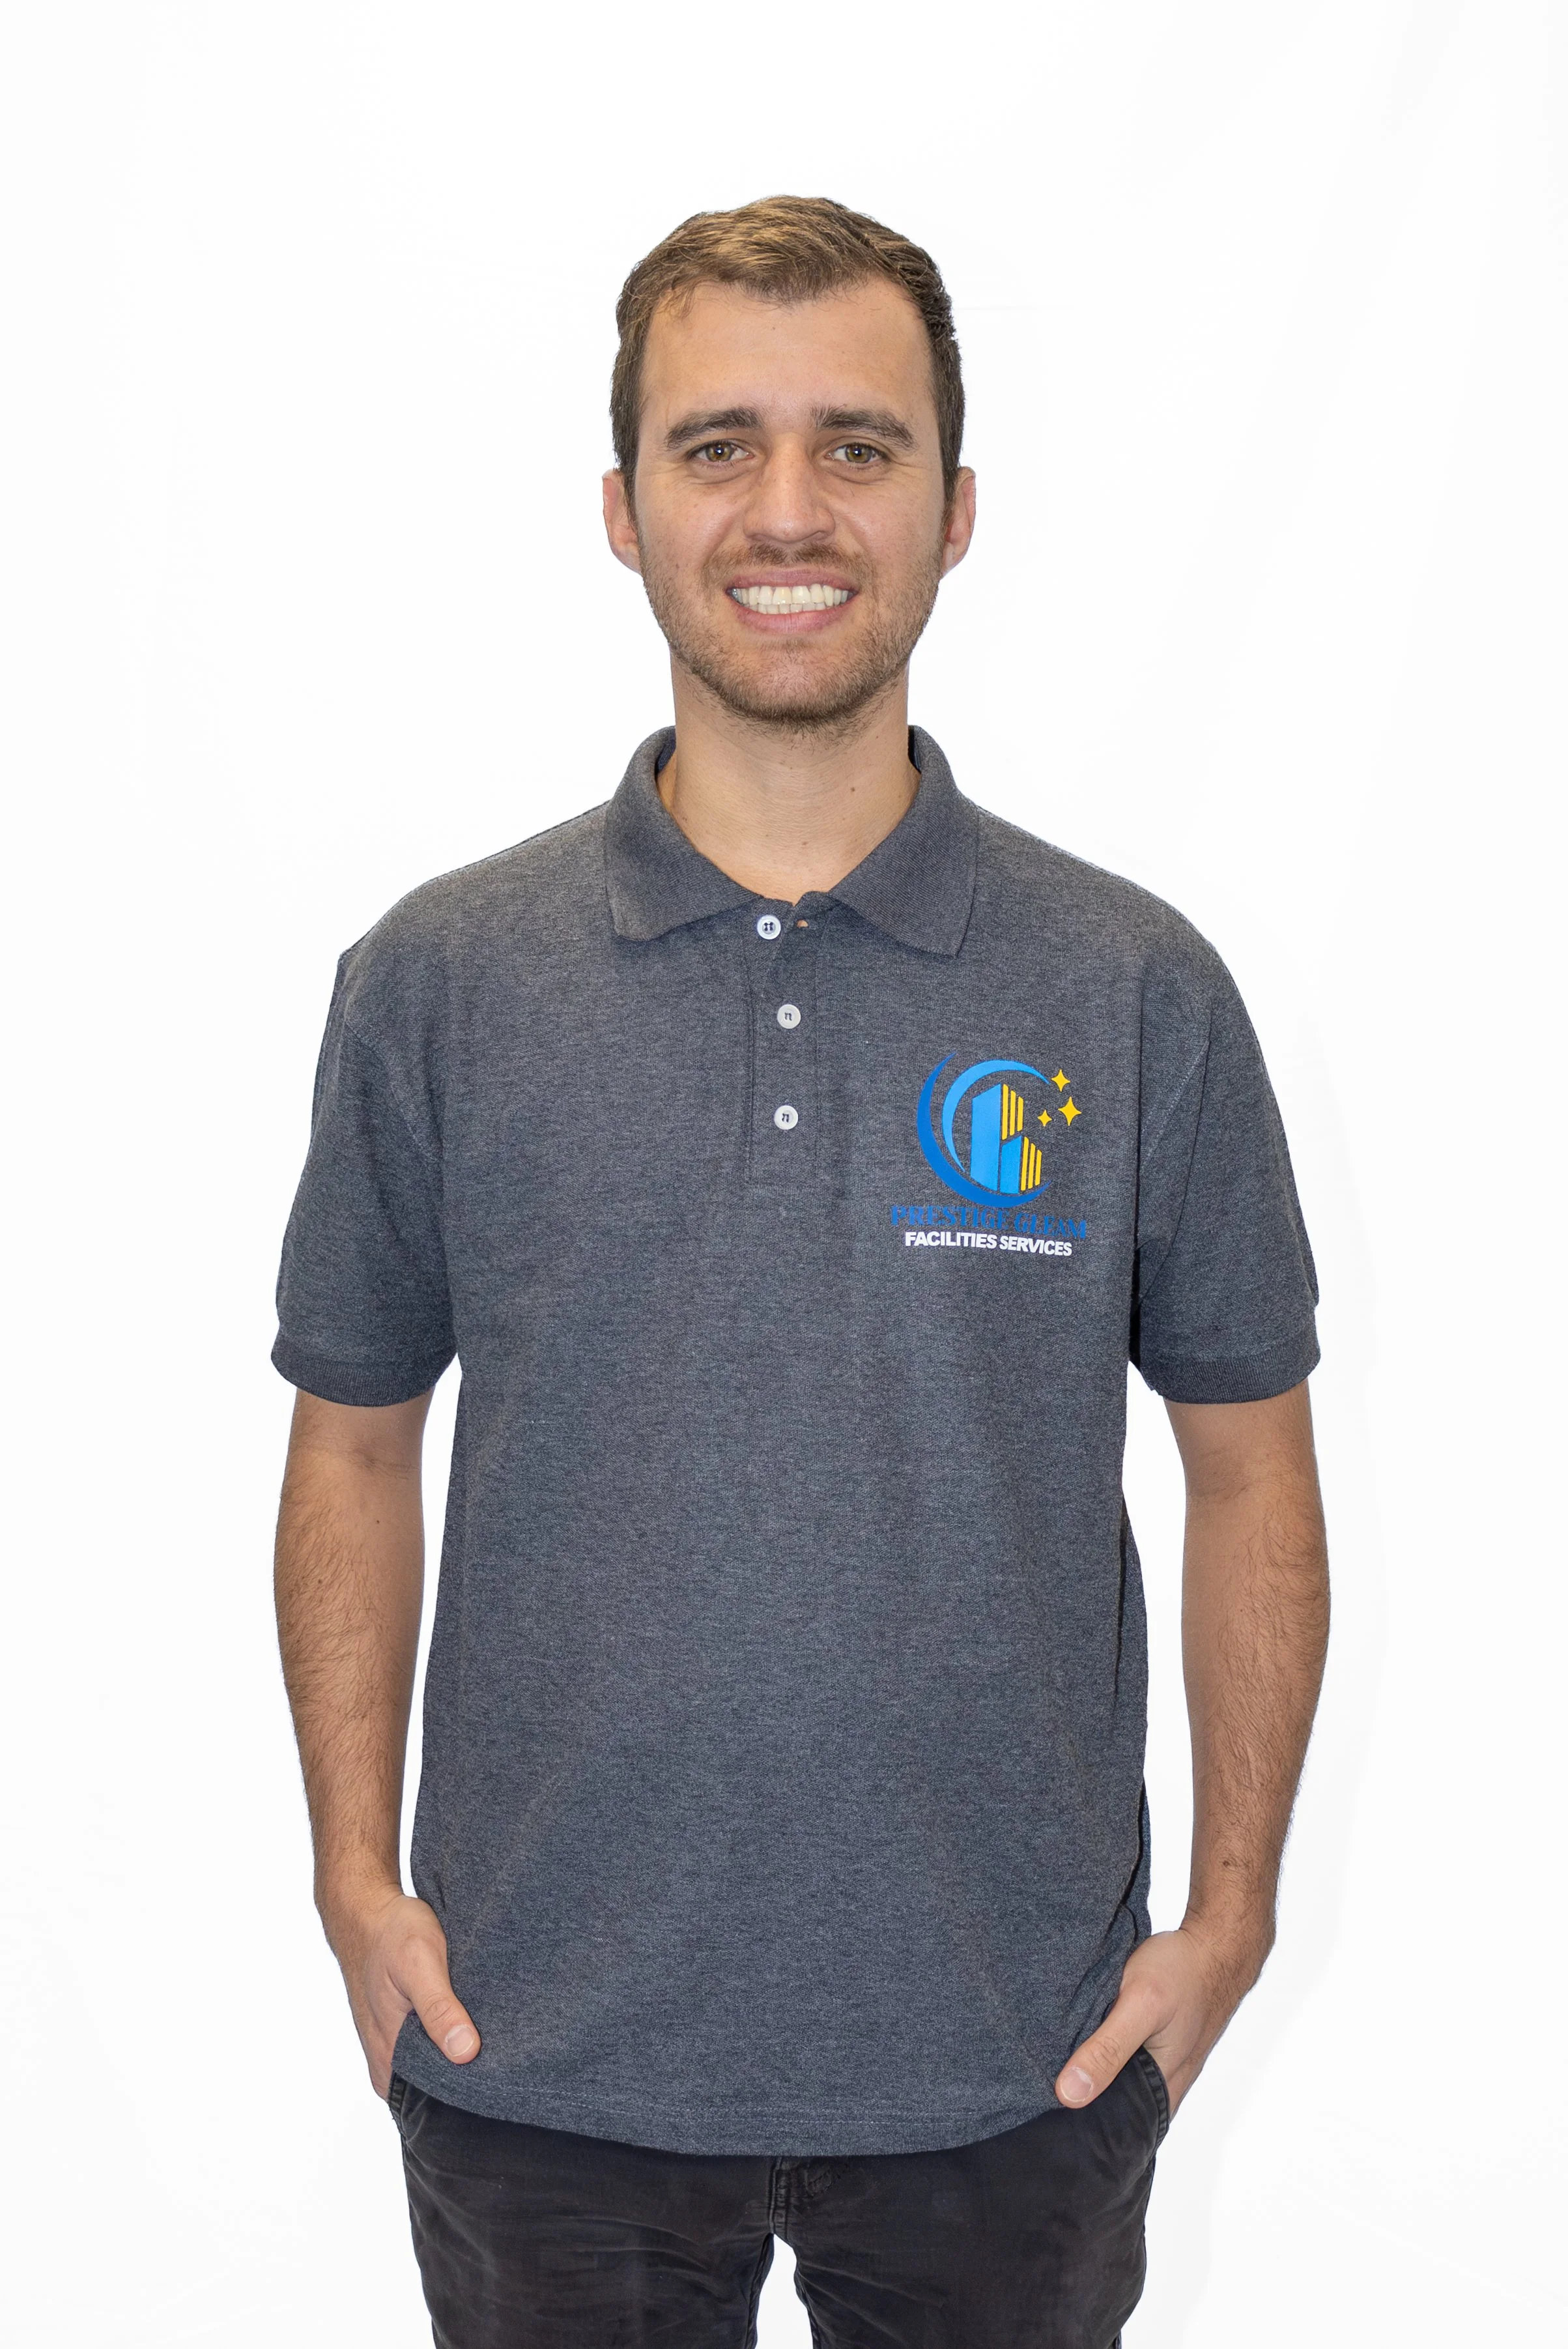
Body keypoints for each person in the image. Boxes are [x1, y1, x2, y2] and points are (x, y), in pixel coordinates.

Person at [272, 195, 1330, 2349]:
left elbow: (1248, 1463)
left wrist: (1226, 1918)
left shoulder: (1126, 983)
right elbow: (352, 1440)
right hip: (536, 2057)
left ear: (954, 511)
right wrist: (352, 1883)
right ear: (619, 504)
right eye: (715, 444)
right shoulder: (441, 979)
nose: (786, 510)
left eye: (856, 447)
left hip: (1003, 2072)